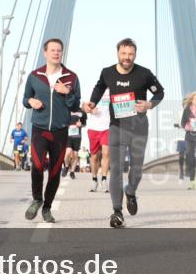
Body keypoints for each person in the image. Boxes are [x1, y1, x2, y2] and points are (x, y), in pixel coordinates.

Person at [83, 38, 164, 228]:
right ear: (118, 53)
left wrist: (150, 104)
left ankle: (131, 191)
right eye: (123, 53)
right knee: (116, 170)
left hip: (139, 128)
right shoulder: (107, 72)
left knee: (136, 170)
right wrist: (92, 102)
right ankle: (117, 212)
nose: (127, 57)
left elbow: (159, 92)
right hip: (116, 127)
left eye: (131, 54)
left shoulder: (144, 74)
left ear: (135, 55)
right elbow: (99, 87)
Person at [21, 38, 80, 223]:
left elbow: (75, 104)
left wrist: (67, 92)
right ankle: (37, 199)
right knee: (37, 166)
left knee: (54, 172)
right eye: (52, 50)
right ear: (45, 53)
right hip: (39, 128)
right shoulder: (34, 76)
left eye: (59, 50)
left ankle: (47, 208)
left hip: (60, 130)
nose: (56, 53)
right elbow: (25, 98)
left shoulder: (71, 77)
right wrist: (31, 102)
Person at [86, 88, 110, 192]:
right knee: (94, 156)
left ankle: (104, 179)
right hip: (94, 128)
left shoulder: (114, 89)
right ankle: (94, 178)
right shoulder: (94, 91)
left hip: (107, 127)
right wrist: (91, 110)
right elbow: (84, 106)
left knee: (106, 153)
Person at [64, 109, 86, 179]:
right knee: (67, 152)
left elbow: (84, 124)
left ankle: (72, 172)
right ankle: (66, 166)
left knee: (75, 155)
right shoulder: (66, 110)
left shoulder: (82, 112)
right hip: (68, 136)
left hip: (77, 136)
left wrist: (81, 125)